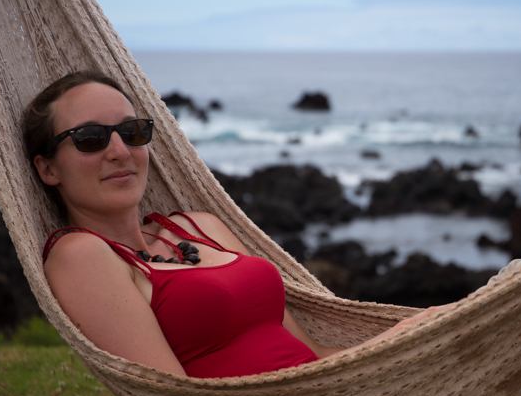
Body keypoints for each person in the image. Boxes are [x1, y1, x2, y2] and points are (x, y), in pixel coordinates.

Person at [24, 71, 439, 379]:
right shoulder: (81, 256)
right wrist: (397, 341)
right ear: (47, 168)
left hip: (336, 393)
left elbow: (310, 353)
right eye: (90, 138)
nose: (119, 151)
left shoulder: (199, 226)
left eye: (132, 132)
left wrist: (403, 340)